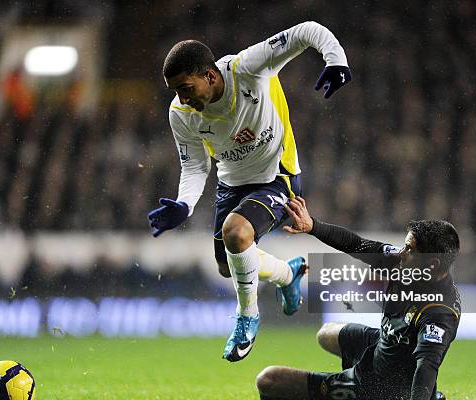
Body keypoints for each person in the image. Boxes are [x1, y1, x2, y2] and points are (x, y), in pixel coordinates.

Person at [147, 22, 352, 362]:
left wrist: (336, 60)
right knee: (228, 266)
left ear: (210, 76)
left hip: (277, 175)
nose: (182, 98)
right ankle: (288, 273)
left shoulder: (249, 68)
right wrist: (184, 204)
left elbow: (307, 31)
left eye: (186, 88)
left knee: (235, 233)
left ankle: (248, 316)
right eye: (175, 91)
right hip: (231, 184)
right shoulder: (181, 113)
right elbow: (196, 167)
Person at [255, 196, 461, 400]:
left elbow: (428, 362)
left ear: (432, 263)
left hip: (381, 386)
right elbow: (356, 244)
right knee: (326, 333)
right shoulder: (405, 263)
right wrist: (312, 226)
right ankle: (406, 386)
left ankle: (400, 394)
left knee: (268, 381)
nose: (401, 252)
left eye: (409, 248)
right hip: (385, 347)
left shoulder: (439, 311)